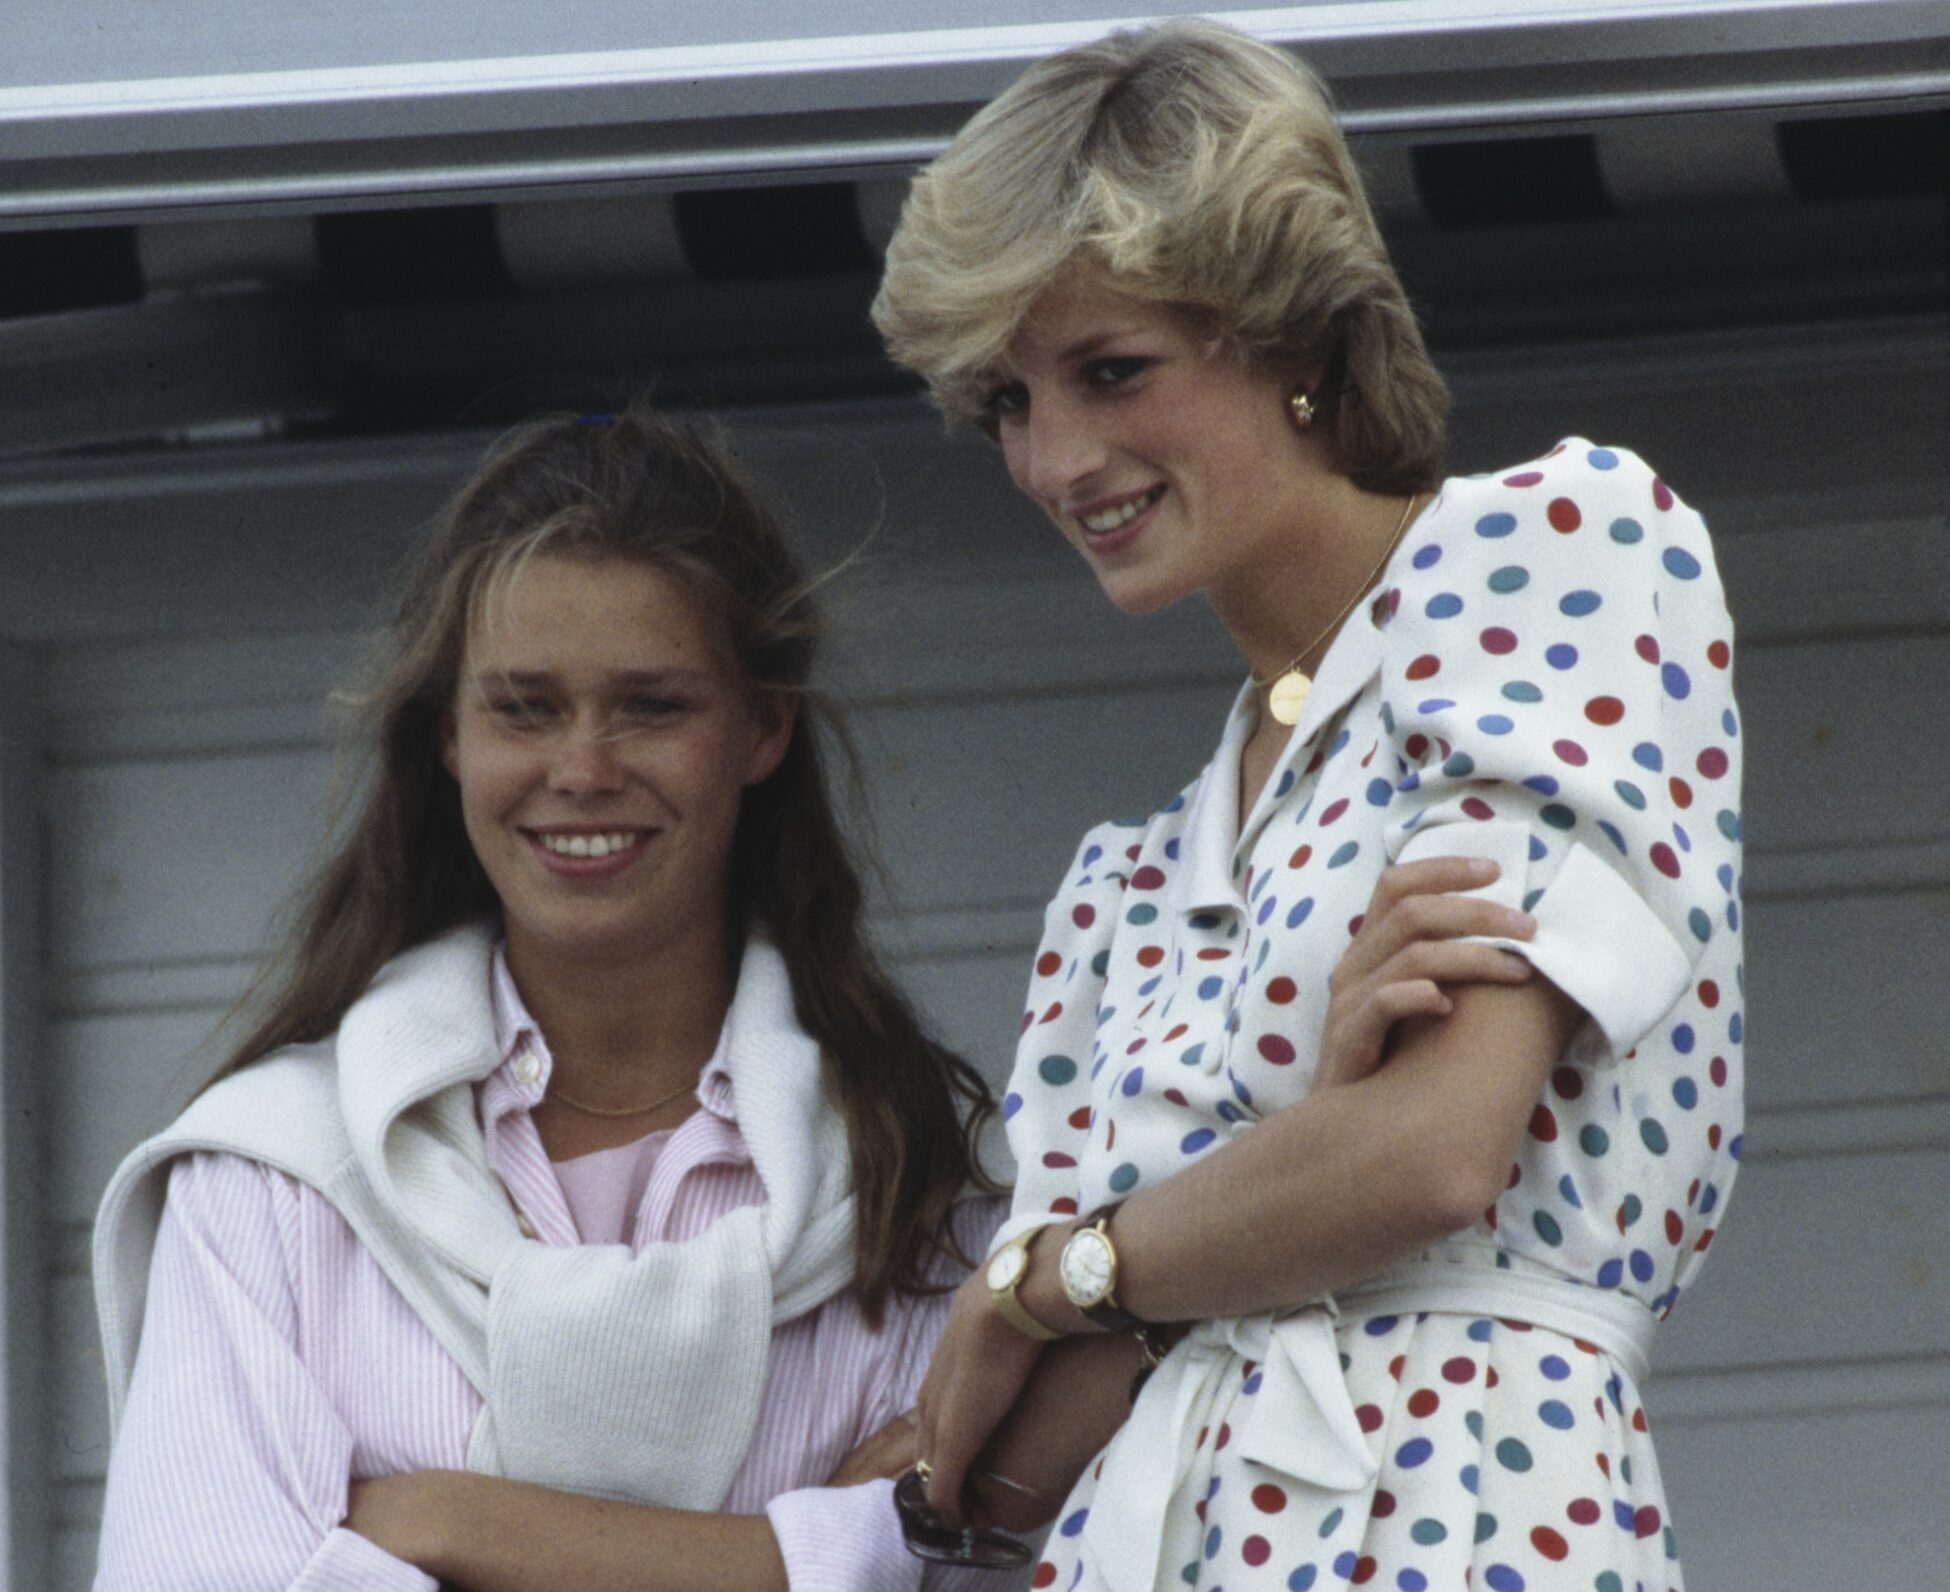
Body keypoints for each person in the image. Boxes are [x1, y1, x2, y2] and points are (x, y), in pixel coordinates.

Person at [871, 17, 1745, 1592]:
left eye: (1110, 371)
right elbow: (997, 1472)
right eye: (1004, 401)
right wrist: (1284, 1164)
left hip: (1466, 1521)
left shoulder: (1548, 557)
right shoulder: (1123, 890)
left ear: (1291, 335)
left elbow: (1429, 1160)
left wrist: (1051, 1280)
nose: (1056, 460)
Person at [90, 405, 1013, 1592]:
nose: (583, 768)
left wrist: (454, 1523)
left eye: (652, 705)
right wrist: (798, 1558)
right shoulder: (269, 1183)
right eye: (524, 707)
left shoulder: (925, 1187)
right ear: (449, 737)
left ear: (764, 725)